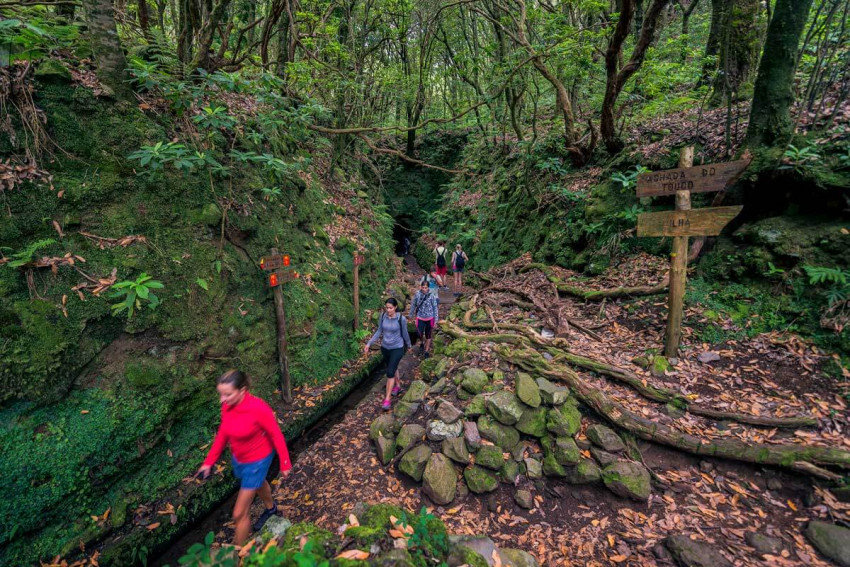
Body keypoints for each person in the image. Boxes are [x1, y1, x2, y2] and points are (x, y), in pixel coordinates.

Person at [197, 370, 292, 546]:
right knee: (259, 483)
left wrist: (285, 463)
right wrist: (208, 463)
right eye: (221, 394)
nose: (222, 399)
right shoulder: (227, 406)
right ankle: (271, 509)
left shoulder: (258, 408)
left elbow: (276, 435)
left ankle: (237, 553)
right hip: (240, 458)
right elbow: (223, 433)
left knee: (239, 514)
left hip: (257, 461)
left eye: (227, 394)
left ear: (242, 391)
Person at [364, 297, 412, 410]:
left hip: (397, 348)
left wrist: (409, 345)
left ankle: (387, 399)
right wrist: (369, 343)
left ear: (395, 307)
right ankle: (398, 386)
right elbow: (379, 331)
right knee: (393, 367)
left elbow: (405, 333)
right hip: (385, 348)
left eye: (390, 308)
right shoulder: (382, 316)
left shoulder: (401, 319)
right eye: (387, 308)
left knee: (390, 372)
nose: (388, 310)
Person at [409, 278, 439, 358]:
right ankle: (422, 342)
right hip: (420, 317)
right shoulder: (417, 294)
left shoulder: (432, 296)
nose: (424, 289)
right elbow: (413, 304)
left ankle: (426, 351)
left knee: (428, 334)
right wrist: (411, 315)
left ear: (428, 288)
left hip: (430, 318)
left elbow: (435, 308)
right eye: (423, 287)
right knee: (419, 333)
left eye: (426, 287)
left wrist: (436, 320)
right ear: (421, 287)